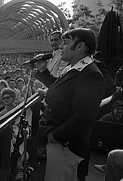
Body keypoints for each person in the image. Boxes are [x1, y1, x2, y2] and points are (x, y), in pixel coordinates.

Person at [34, 28, 106, 181]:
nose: (60, 46)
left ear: (80, 46)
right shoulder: (74, 68)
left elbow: (84, 117)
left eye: (65, 43)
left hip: (64, 144)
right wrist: (42, 71)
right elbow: (60, 89)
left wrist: (56, 136)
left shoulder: (90, 73)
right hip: (59, 141)